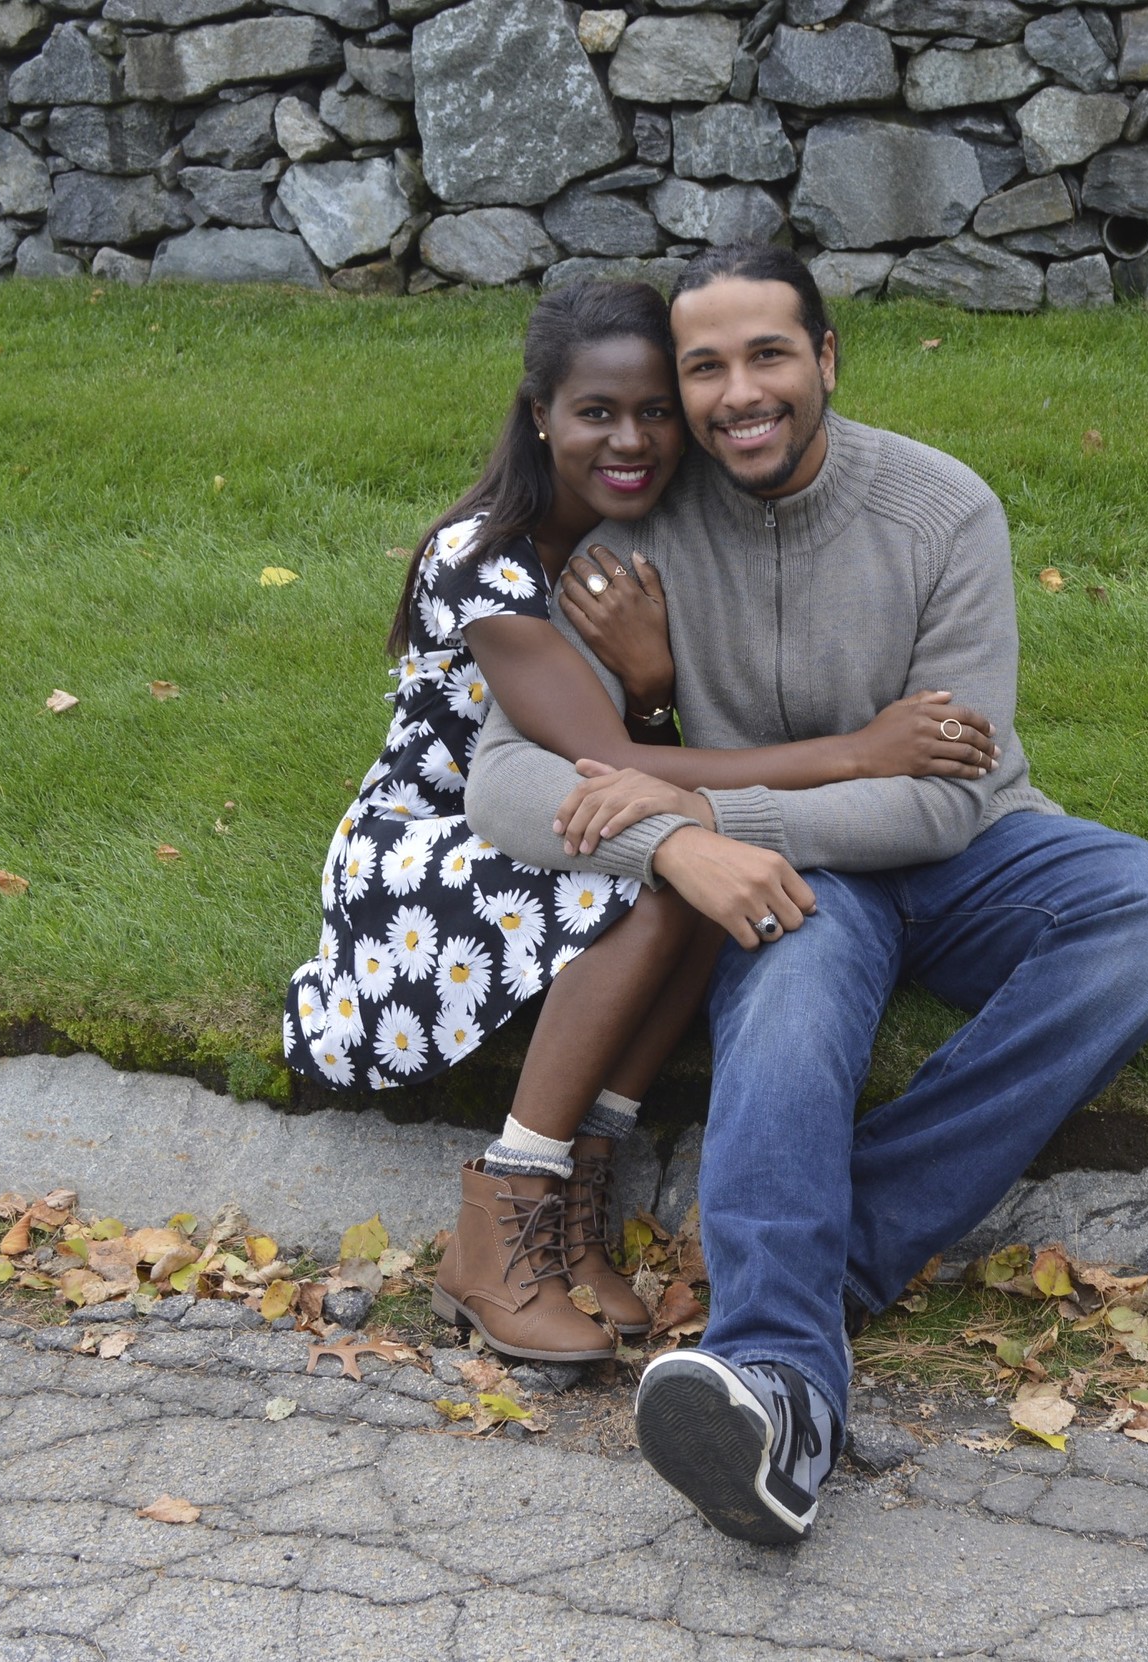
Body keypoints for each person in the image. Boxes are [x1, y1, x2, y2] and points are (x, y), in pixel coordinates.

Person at [461, 245, 1148, 1544]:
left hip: (966, 852)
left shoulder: (942, 511)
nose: (738, 393)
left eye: (768, 354)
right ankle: (777, 1385)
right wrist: (680, 850)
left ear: (825, 357)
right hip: (804, 881)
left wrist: (707, 817)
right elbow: (504, 780)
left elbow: (942, 801)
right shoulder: (633, 541)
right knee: (795, 1003)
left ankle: (837, 1239)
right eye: (706, 368)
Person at [283, 280, 1006, 1366]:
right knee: (659, 875)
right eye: (597, 413)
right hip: (424, 849)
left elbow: (639, 746)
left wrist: (655, 682)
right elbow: (603, 766)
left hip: (562, 814)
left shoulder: (633, 540)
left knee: (689, 862)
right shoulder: (486, 558)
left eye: (655, 411)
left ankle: (579, 1206)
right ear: (539, 415)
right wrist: (859, 751)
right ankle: (503, 1216)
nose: (631, 441)